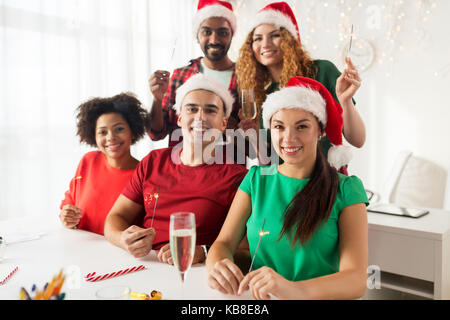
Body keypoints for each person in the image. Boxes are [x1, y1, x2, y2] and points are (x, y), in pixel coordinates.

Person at [206, 76, 369, 300]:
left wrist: (292, 290)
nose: (288, 138)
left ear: (319, 131)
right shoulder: (255, 179)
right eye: (279, 127)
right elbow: (223, 244)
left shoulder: (347, 189)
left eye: (302, 126)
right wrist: (217, 266)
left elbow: (356, 280)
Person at [104, 74, 248, 265]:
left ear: (223, 123)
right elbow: (115, 217)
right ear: (180, 118)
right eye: (192, 109)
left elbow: (248, 249)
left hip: (195, 274)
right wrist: (123, 238)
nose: (200, 117)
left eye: (210, 110)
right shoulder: (153, 162)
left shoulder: (238, 178)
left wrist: (203, 252)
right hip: (144, 267)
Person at [235, 1, 366, 172]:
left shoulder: (321, 71)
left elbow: (358, 140)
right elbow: (270, 164)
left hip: (328, 181)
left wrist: (346, 100)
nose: (265, 44)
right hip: (286, 189)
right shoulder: (262, 96)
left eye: (274, 35)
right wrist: (253, 137)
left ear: (289, 39)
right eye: (257, 38)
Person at [148, 0, 240, 147]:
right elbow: (156, 133)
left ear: (231, 35)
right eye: (206, 32)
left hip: (227, 165)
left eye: (222, 32)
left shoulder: (245, 78)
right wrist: (157, 99)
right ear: (197, 36)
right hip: (182, 165)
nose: (214, 39)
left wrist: (237, 130)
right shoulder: (180, 76)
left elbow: (251, 142)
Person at [59, 93, 148, 235]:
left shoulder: (144, 174)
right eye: (102, 132)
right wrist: (67, 216)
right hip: (81, 249)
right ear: (94, 136)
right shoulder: (88, 161)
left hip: (121, 254)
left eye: (119, 129)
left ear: (132, 131)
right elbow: (70, 201)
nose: (111, 137)